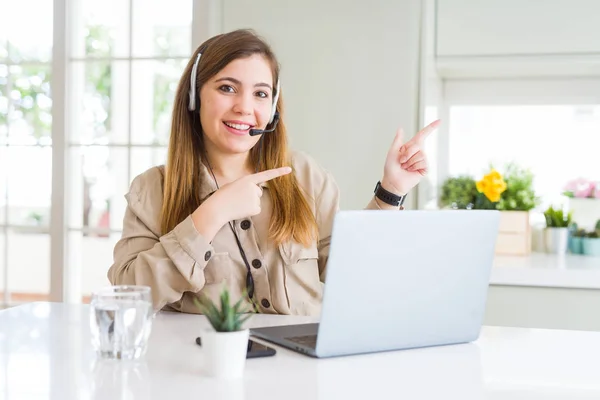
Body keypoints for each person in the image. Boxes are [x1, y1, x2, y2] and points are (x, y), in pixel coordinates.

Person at [108, 29, 439, 315]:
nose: (244, 107)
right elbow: (129, 295)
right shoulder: (152, 189)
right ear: (194, 97)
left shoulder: (306, 175)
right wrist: (211, 214)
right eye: (227, 88)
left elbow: (354, 273)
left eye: (260, 94)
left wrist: (391, 190)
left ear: (273, 109)